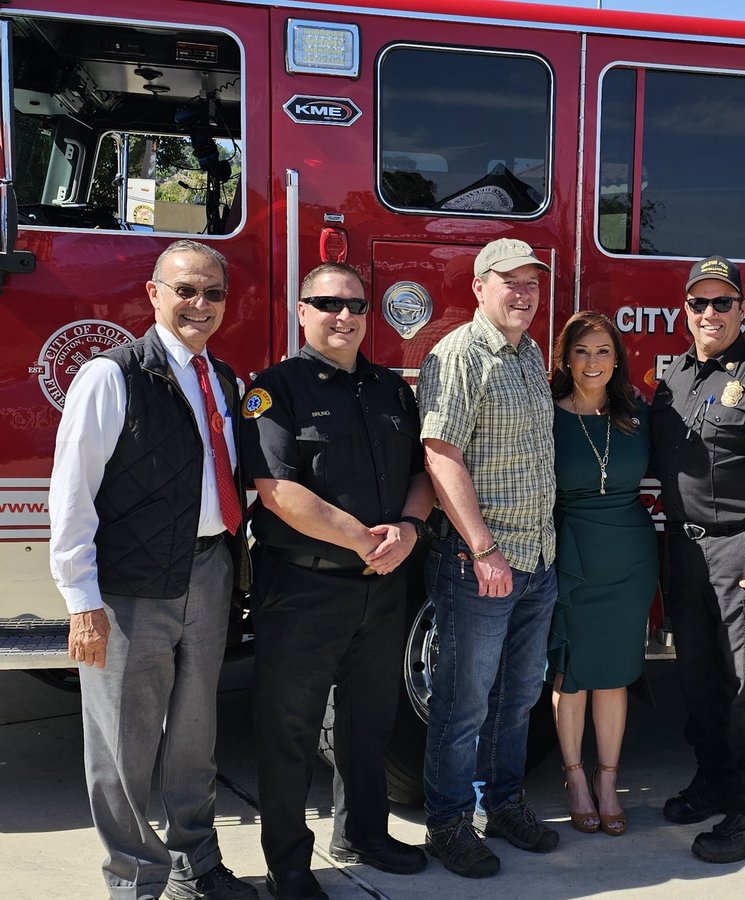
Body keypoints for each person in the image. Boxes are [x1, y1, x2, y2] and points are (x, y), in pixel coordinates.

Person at [48, 240, 256, 900]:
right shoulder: (111, 376)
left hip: (208, 573)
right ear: (154, 294)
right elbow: (72, 494)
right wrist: (81, 600)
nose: (200, 304)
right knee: (123, 749)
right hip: (130, 585)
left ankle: (198, 866)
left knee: (197, 737)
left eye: (213, 293)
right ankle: (136, 882)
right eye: (186, 290)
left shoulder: (225, 381)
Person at [241, 262, 433, 900]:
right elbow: (276, 490)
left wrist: (406, 528)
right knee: (290, 730)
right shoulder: (275, 390)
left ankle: (364, 834)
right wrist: (362, 539)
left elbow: (421, 472)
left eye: (355, 305)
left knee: (369, 720)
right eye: (327, 303)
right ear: (301, 311)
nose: (344, 316)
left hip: (381, 586)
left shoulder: (390, 389)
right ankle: (289, 863)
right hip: (303, 588)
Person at [649, 255, 745, 863]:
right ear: (684, 310)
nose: (709, 313)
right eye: (698, 303)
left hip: (744, 549)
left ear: (744, 309)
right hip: (684, 549)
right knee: (698, 679)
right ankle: (713, 778)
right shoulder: (674, 379)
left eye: (722, 303)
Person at [417, 238, 560, 878]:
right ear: (478, 287)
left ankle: (501, 805)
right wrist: (483, 547)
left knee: (519, 696)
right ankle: (446, 823)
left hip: (537, 560)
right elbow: (440, 455)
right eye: (511, 282)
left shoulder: (529, 353)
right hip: (482, 563)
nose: (524, 293)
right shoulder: (458, 355)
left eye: (532, 283)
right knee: (463, 700)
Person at [547, 311, 658, 837]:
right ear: (566, 359)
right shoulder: (547, 415)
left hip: (631, 555)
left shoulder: (637, 414)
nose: (593, 362)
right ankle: (575, 779)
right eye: (583, 351)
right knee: (571, 673)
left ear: (618, 359)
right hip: (573, 555)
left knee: (614, 673)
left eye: (604, 351)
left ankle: (608, 781)